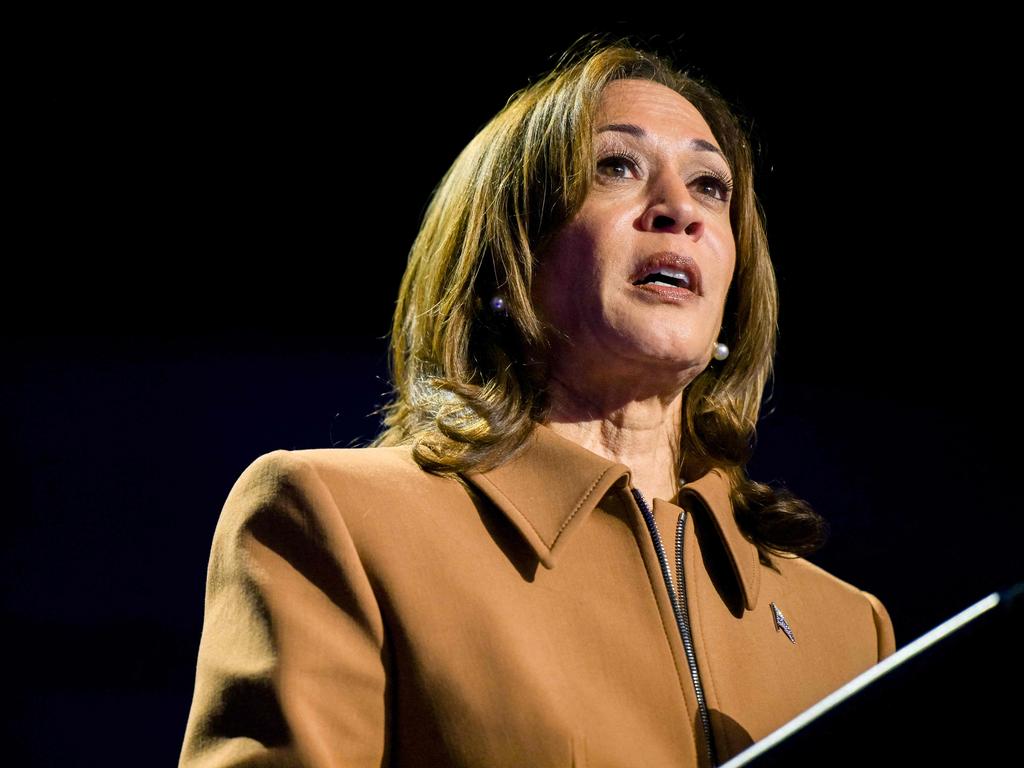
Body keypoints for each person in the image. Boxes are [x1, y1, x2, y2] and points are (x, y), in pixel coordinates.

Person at [179, 37, 895, 768]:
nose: (681, 210)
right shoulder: (341, 523)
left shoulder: (848, 630)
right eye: (615, 166)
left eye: (711, 186)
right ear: (508, 256)